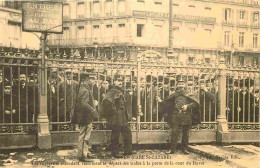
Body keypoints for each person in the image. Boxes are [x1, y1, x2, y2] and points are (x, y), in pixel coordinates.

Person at [157, 78, 200, 155]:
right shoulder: (173, 94)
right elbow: (167, 103)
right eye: (179, 84)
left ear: (185, 85)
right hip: (176, 115)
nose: (181, 86)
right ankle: (172, 149)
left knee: (186, 134)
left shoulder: (189, 93)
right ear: (176, 85)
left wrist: (188, 106)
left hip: (186, 115)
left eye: (182, 84)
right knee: (174, 133)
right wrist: (161, 101)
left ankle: (185, 149)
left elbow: (195, 103)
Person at [101, 75, 133, 158]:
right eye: (118, 80)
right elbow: (105, 102)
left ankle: (128, 151)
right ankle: (115, 152)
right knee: (116, 135)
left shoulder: (121, 90)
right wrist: (112, 111)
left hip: (123, 117)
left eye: (121, 81)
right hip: (116, 117)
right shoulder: (113, 91)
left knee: (127, 132)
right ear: (114, 81)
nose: (120, 82)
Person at [71, 71, 98, 162]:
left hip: (84, 116)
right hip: (86, 116)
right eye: (92, 79)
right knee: (85, 136)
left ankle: (82, 154)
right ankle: (83, 155)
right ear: (86, 80)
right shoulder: (85, 89)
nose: (93, 81)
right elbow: (84, 103)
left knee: (83, 135)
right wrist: (93, 109)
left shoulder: (83, 88)